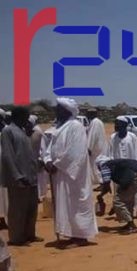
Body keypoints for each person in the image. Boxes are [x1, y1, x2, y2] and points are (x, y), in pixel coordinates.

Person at [43, 98, 98, 245]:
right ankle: (72, 234)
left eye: (59, 108)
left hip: (73, 175)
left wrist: (57, 164)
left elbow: (75, 152)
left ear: (66, 111)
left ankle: (81, 236)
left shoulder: (76, 126)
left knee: (76, 204)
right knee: (65, 204)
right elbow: (50, 148)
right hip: (61, 174)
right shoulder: (59, 127)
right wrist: (47, 160)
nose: (56, 111)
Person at [0, 106, 40, 245]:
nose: (27, 121)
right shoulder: (8, 131)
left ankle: (30, 234)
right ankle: (17, 238)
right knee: (18, 210)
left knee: (31, 208)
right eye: (25, 117)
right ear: (18, 117)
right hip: (19, 178)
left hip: (30, 176)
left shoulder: (22, 131)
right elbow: (8, 155)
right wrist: (17, 175)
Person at [109, 116, 137, 219]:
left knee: (135, 191)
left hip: (132, 169)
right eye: (115, 124)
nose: (116, 126)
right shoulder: (113, 137)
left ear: (125, 125)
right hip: (119, 170)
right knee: (120, 191)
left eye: (118, 124)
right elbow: (110, 153)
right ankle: (122, 212)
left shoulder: (132, 137)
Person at [98, 158, 137, 233]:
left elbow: (106, 183)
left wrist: (100, 196)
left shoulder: (105, 166)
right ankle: (129, 223)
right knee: (128, 199)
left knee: (118, 201)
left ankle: (131, 226)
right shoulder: (116, 163)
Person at [86, 108, 107, 184]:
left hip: (95, 150)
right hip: (99, 148)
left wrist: (89, 147)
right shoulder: (98, 122)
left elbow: (92, 135)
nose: (87, 115)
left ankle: (101, 183)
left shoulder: (94, 122)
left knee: (95, 167)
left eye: (88, 114)